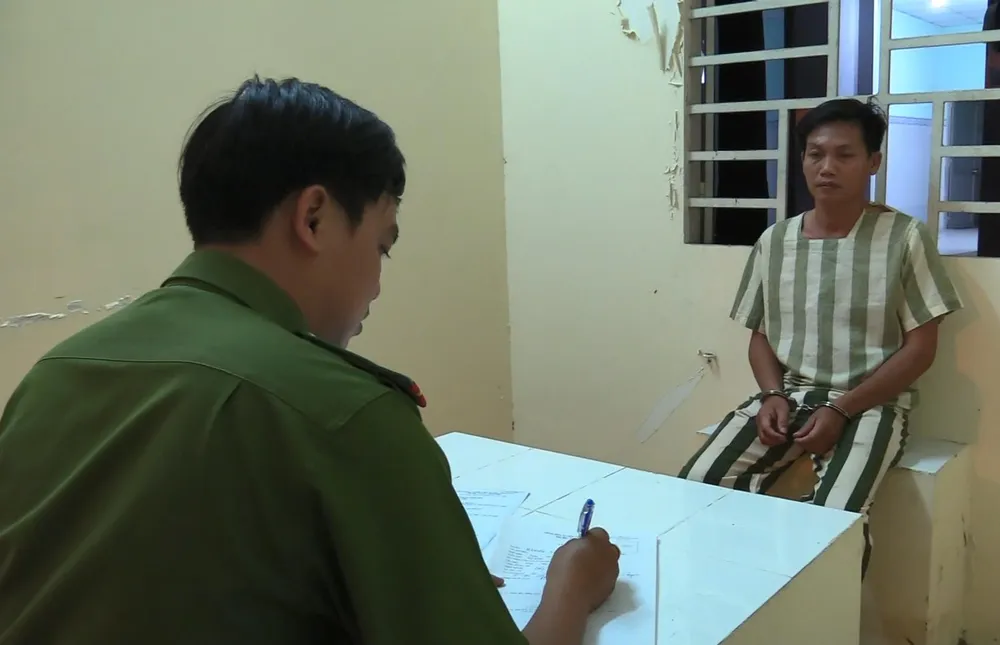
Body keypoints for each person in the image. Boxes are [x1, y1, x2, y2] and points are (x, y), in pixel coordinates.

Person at [0, 77, 620, 645]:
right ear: (314, 218)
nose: (377, 284)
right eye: (381, 246)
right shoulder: (345, 415)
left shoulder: (55, 374)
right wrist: (572, 585)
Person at [679, 97, 963, 576]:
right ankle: (734, 587)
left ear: (873, 162)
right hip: (790, 395)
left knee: (833, 524)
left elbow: (920, 348)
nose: (827, 167)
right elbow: (760, 335)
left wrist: (841, 408)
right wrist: (771, 394)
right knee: (695, 484)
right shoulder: (775, 241)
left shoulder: (904, 238)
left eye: (844, 155)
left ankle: (821, 603)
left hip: (872, 403)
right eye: (816, 154)